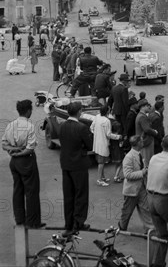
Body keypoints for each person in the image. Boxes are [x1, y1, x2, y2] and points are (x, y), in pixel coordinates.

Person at [1, 99, 45, 229]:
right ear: (28, 111)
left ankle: (19, 219)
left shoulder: (11, 125)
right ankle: (33, 221)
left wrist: (14, 151)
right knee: (32, 191)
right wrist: (20, 152)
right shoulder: (29, 126)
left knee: (18, 190)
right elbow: (30, 148)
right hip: (26, 160)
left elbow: (4, 144)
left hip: (13, 162)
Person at [59, 101, 93, 235]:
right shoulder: (82, 127)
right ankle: (78, 222)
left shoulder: (62, 126)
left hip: (66, 164)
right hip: (79, 164)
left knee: (68, 195)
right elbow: (89, 146)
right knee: (81, 194)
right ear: (79, 112)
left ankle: (68, 224)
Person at [146, 135, 168, 267]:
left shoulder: (154, 158)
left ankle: (158, 263)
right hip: (163, 200)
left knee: (162, 234)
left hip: (150, 198)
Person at [119, 135, 154, 233]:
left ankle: (149, 229)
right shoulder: (129, 157)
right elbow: (127, 175)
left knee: (146, 209)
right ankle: (122, 227)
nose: (143, 142)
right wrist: (143, 172)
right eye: (141, 141)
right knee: (127, 211)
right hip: (131, 190)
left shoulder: (139, 154)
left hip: (141, 187)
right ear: (138, 143)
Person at [90, 104, 122, 186]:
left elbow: (91, 128)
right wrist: (118, 137)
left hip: (97, 142)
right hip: (103, 143)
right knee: (101, 162)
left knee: (101, 161)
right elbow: (108, 134)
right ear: (107, 111)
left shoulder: (97, 117)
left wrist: (97, 134)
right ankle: (99, 180)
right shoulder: (107, 121)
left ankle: (102, 177)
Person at [135, 100, 158, 167]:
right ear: (143, 107)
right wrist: (154, 132)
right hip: (145, 141)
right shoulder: (142, 117)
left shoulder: (140, 115)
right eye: (147, 106)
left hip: (143, 141)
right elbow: (147, 129)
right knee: (146, 161)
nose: (149, 107)